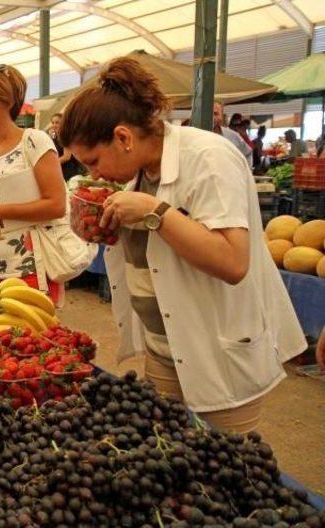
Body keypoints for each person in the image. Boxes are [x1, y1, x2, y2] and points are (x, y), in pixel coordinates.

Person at [59, 56, 306, 433]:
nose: (93, 173)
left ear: (123, 137)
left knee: (221, 464)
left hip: (217, 353)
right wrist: (105, 228)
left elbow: (233, 261)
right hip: (164, 350)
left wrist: (156, 212)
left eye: (93, 161)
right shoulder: (139, 172)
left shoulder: (208, 158)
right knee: (170, 458)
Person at [0, 64, 66, 301]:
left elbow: (56, 205)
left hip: (29, 270)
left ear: (7, 99)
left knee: (27, 337)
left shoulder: (34, 142)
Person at [48, 112, 83, 181]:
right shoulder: (54, 136)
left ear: (63, 123)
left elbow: (67, 157)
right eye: (53, 123)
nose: (54, 125)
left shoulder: (66, 136)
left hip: (70, 172)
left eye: (57, 123)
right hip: (60, 170)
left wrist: (51, 164)